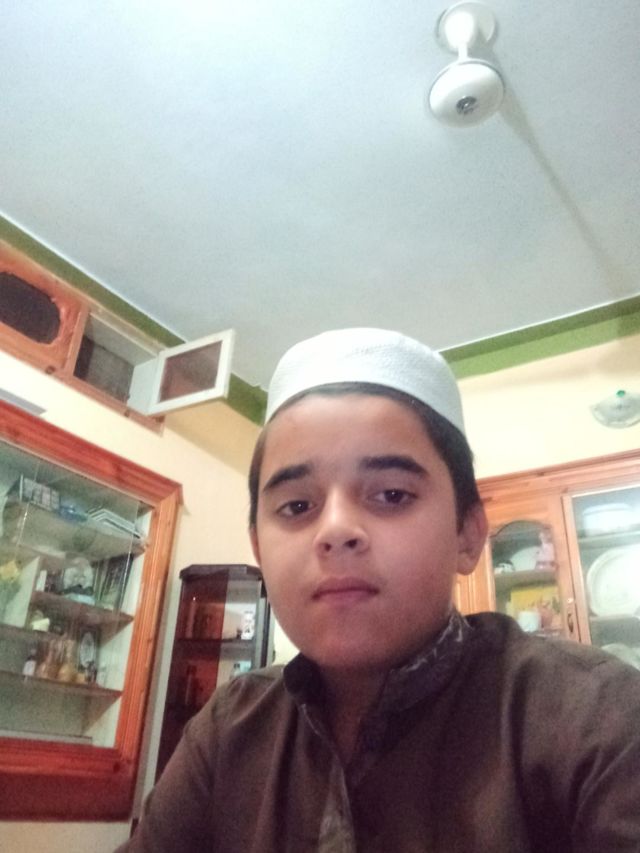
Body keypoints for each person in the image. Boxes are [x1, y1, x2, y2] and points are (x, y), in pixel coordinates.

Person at [120, 328, 640, 852]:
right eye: (297, 506)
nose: (335, 530)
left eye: (391, 494)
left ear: (467, 533)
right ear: (258, 546)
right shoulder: (229, 730)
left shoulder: (597, 718)